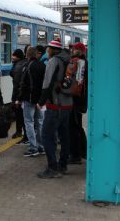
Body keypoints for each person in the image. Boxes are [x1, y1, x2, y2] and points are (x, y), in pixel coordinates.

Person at [37, 40, 72, 179]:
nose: (47, 51)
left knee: (46, 135)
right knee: (64, 135)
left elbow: (47, 83)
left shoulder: (53, 61)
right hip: (68, 104)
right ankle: (63, 165)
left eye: (48, 49)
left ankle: (53, 168)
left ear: (52, 50)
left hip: (55, 104)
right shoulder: (68, 59)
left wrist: (41, 101)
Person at [18, 47, 46, 157]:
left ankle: (33, 147)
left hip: (29, 99)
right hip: (40, 100)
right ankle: (41, 146)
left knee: (29, 122)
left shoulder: (27, 66)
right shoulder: (43, 66)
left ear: (27, 55)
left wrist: (19, 98)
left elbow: (22, 84)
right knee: (40, 122)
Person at [68, 43, 88, 164]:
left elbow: (78, 83)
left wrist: (65, 88)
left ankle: (76, 155)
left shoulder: (80, 63)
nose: (72, 50)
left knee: (74, 127)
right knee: (77, 127)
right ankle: (82, 151)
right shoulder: (83, 62)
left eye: (74, 49)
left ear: (80, 51)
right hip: (80, 100)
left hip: (76, 100)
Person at [10, 49, 28, 143]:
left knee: (20, 114)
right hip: (25, 94)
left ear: (17, 57)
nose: (12, 57)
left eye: (13, 55)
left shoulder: (18, 66)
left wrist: (15, 98)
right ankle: (23, 133)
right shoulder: (24, 63)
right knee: (24, 115)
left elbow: (16, 84)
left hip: (19, 94)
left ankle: (21, 133)